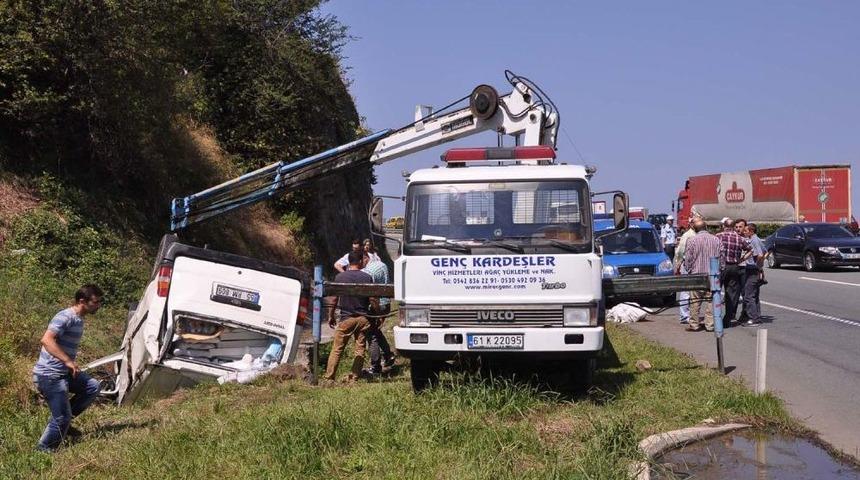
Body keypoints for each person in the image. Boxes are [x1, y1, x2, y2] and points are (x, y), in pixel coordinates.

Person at [32, 284, 104, 452]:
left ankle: (64, 424)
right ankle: (44, 450)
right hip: (49, 375)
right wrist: (68, 361)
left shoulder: (79, 318)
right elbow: (47, 340)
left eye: (101, 301)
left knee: (92, 387)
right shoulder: (65, 316)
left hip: (64, 373)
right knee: (62, 417)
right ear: (82, 301)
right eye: (96, 301)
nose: (98, 305)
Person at [324, 251, 374, 381]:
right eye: (363, 260)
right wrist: (378, 314)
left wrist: (330, 316)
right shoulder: (367, 278)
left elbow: (334, 300)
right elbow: (373, 299)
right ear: (359, 261)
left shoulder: (340, 278)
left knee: (337, 349)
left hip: (346, 318)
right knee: (360, 349)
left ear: (349, 262)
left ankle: (329, 378)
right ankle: (354, 376)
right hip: (363, 319)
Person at [683, 219, 723, 332]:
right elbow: (721, 256)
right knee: (711, 300)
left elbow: (688, 258)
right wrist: (721, 269)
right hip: (712, 275)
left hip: (697, 275)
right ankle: (709, 325)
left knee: (695, 301)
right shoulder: (716, 240)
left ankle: (694, 324)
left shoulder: (692, 240)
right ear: (706, 228)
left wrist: (688, 269)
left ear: (695, 229)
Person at [361, 254, 395, 376]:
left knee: (372, 335)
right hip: (385, 303)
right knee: (376, 331)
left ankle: (375, 366)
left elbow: (372, 297)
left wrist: (377, 313)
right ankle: (388, 356)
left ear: (365, 259)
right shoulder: (381, 265)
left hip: (377, 306)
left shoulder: (367, 272)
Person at [716, 218, 748, 326]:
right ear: (734, 227)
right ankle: (727, 319)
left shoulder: (718, 236)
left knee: (716, 291)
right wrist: (741, 259)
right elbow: (750, 249)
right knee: (731, 293)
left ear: (724, 226)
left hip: (721, 266)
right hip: (734, 266)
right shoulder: (739, 238)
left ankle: (715, 317)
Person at [673, 215, 699, 324]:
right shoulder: (688, 235)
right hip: (687, 265)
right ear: (692, 224)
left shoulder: (697, 235)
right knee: (686, 292)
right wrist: (678, 263)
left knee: (694, 292)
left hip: (696, 265)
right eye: (696, 223)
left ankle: (691, 315)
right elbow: (680, 251)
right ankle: (684, 315)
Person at [740, 223, 766, 327]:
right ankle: (757, 316)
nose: (744, 232)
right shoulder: (756, 239)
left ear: (751, 231)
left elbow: (760, 254)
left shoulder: (754, 240)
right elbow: (765, 251)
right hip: (753, 270)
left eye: (746, 231)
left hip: (752, 270)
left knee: (748, 295)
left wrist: (757, 265)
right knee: (754, 295)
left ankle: (754, 318)